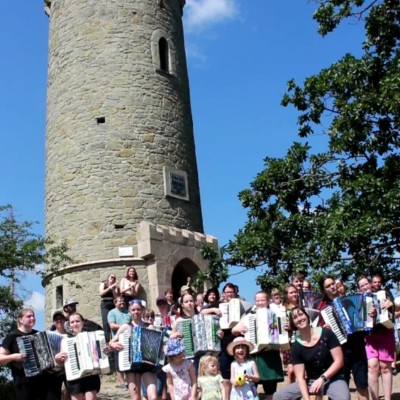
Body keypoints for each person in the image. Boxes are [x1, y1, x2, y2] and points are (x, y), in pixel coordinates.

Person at [273, 307, 350, 400]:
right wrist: (307, 399)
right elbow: (300, 378)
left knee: (343, 398)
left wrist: (322, 379)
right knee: (279, 396)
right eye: (295, 317)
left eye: (301, 314)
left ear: (307, 316)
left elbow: (339, 361)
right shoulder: (296, 347)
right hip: (311, 381)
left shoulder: (327, 333)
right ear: (293, 323)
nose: (299, 319)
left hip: (333, 378)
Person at [317, 275, 369, 400]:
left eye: (333, 283)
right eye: (328, 286)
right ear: (324, 290)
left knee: (362, 384)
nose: (332, 287)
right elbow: (318, 330)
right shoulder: (323, 308)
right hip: (338, 351)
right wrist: (325, 328)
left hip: (357, 346)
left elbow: (364, 318)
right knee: (339, 389)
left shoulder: (350, 299)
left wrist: (369, 315)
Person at [232, 291, 284, 400]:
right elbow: (234, 330)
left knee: (270, 389)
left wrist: (286, 328)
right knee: (250, 388)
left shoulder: (277, 314)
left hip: (270, 355)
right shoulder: (249, 316)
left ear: (268, 301)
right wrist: (239, 329)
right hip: (255, 356)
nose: (260, 303)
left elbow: (284, 332)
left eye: (262, 300)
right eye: (257, 300)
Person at [0, 307, 56, 400]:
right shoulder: (12, 336)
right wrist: (14, 356)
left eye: (33, 316)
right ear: (20, 320)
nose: (32, 318)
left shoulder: (38, 334)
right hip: (23, 382)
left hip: (41, 381)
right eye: (28, 316)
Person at [108, 299, 158, 400]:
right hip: (131, 365)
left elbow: (156, 344)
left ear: (142, 310)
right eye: (133, 310)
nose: (136, 312)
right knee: (135, 398)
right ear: (130, 311)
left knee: (153, 397)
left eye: (138, 309)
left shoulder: (149, 327)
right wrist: (113, 344)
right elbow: (111, 342)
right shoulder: (125, 327)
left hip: (147, 364)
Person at [358, 275, 395, 400]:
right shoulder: (357, 300)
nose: (364, 287)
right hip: (370, 337)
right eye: (361, 286)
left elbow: (394, 308)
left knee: (385, 367)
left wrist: (391, 304)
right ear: (359, 288)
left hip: (385, 332)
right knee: (372, 366)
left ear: (370, 284)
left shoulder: (383, 293)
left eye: (366, 284)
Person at [55, 313, 101, 400]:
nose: (75, 324)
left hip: (90, 375)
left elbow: (100, 353)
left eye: (77, 321)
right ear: (69, 324)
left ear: (82, 322)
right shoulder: (65, 341)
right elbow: (61, 364)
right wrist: (57, 359)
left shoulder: (92, 336)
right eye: (72, 322)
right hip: (74, 377)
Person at [107, 296, 131, 391]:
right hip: (117, 341)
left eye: (123, 301)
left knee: (128, 362)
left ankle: (129, 381)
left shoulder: (128, 312)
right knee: (118, 364)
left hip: (128, 340)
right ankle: (122, 383)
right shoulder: (112, 313)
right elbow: (112, 325)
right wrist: (125, 327)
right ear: (115, 303)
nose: (122, 302)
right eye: (119, 301)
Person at [282, 284, 299, 383]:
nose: (294, 294)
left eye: (295, 292)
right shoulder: (282, 310)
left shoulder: (302, 307)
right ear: (286, 295)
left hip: (302, 340)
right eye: (291, 292)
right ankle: (290, 390)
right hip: (289, 342)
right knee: (291, 371)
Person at [99, 273, 120, 342]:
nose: (113, 278)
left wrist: (113, 289)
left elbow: (116, 297)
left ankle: (115, 339)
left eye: (114, 278)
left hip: (112, 303)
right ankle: (107, 341)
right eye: (111, 277)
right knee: (106, 323)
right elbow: (101, 293)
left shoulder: (115, 287)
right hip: (105, 303)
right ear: (108, 278)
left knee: (114, 322)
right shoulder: (103, 284)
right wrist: (109, 288)